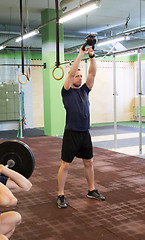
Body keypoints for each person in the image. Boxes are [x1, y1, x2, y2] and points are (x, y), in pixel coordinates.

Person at [56, 46, 105, 209]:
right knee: (66, 165)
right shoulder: (67, 92)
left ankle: (91, 189)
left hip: (85, 133)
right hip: (71, 133)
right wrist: (80, 54)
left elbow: (92, 73)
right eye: (77, 76)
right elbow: (70, 74)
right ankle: (61, 194)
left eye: (80, 76)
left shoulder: (85, 90)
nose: (79, 78)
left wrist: (92, 56)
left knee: (89, 162)